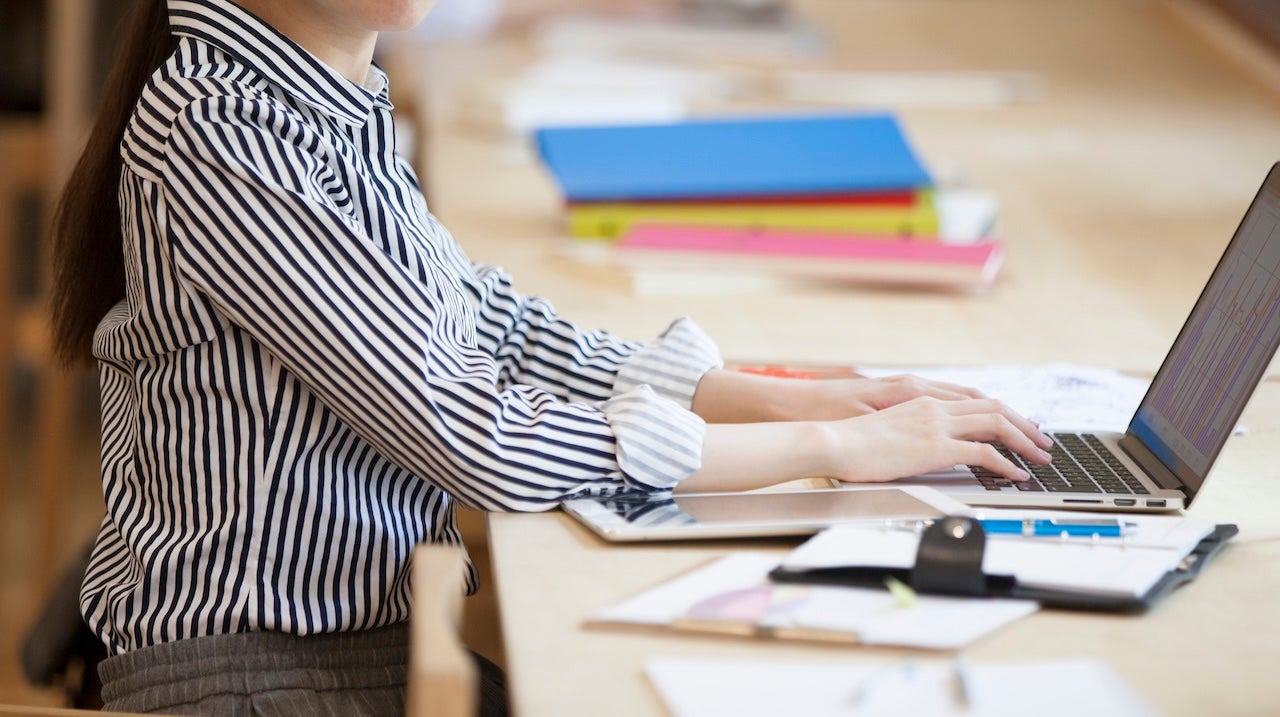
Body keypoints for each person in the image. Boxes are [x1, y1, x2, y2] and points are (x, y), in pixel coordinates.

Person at [48, 0, 1053, 714]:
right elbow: (472, 435)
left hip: (345, 648)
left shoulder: (327, 97)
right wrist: (831, 445)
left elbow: (491, 324)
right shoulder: (225, 131)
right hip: (261, 678)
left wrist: (805, 400)